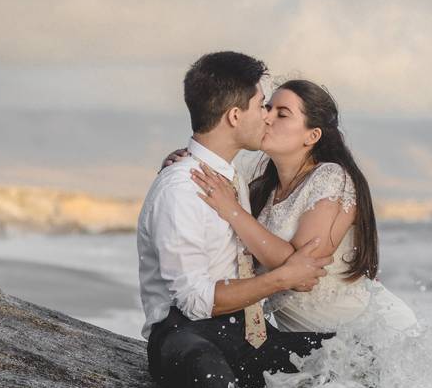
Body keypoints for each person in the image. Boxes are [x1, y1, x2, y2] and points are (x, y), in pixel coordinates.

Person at [138, 52, 334, 388]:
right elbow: (195, 302)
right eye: (261, 105)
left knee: (349, 356)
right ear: (234, 116)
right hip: (183, 337)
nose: (267, 115)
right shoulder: (182, 188)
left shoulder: (228, 177)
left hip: (242, 332)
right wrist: (283, 278)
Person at [162, 79, 417, 334]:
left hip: (371, 334)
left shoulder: (331, 177)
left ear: (312, 135)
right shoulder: (260, 188)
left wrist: (232, 210)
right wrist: (188, 164)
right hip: (306, 346)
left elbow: (303, 268)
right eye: (267, 108)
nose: (267, 117)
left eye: (282, 114)